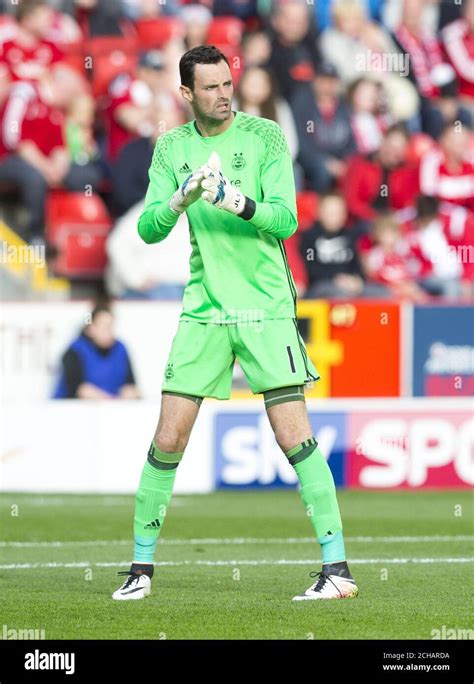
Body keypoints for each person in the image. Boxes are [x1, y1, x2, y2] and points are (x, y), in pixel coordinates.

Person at [112, 45, 359, 602]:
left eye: (228, 83)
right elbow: (148, 230)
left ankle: (337, 569)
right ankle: (140, 571)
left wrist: (235, 200)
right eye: (211, 87)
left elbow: (288, 218)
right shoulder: (172, 148)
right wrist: (178, 199)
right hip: (204, 309)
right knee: (167, 437)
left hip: (266, 306)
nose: (224, 93)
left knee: (294, 435)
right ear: (186, 94)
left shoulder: (266, 135)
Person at [299, 191, 387, 298]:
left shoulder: (350, 235)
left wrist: (356, 280)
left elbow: (356, 265)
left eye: (338, 212)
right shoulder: (309, 236)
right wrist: (336, 279)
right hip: (321, 286)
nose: (335, 217)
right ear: (319, 212)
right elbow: (310, 270)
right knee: (341, 295)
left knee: (384, 293)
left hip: (349, 284)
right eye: (330, 213)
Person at [53, 303, 140, 399]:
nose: (109, 331)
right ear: (91, 328)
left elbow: (130, 386)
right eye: (104, 326)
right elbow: (78, 389)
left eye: (111, 326)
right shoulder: (74, 351)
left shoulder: (121, 349)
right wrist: (110, 401)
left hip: (113, 408)